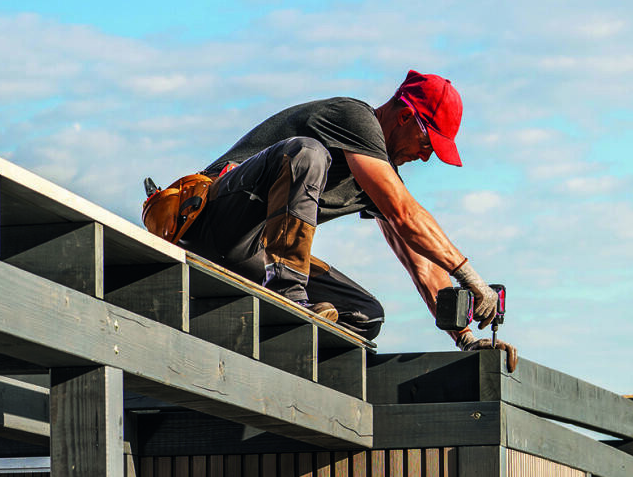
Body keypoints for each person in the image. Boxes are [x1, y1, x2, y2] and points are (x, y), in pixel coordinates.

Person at [179, 70, 514, 360]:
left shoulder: (377, 174)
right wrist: (472, 278)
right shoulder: (354, 117)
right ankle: (289, 299)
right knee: (307, 154)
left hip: (255, 255)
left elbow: (421, 261)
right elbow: (405, 213)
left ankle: (281, 343)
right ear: (405, 117)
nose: (425, 158)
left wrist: (465, 338)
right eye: (426, 144)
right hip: (211, 221)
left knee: (365, 315)